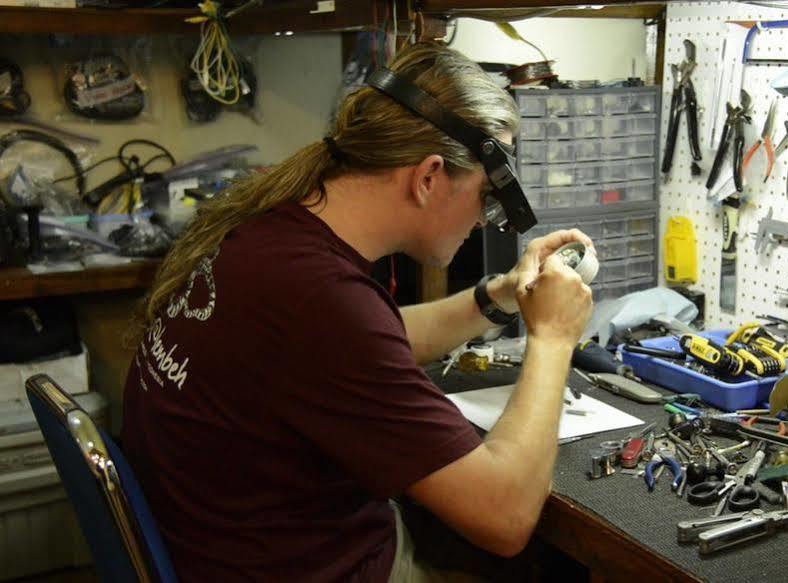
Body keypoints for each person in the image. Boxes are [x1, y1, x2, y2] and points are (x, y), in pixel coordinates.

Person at [122, 41, 593, 582]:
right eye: (486, 196)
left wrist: (498, 296)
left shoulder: (274, 232)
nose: (486, 219)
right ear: (428, 176)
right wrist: (553, 337)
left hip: (233, 545)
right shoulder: (321, 302)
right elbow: (504, 517)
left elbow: (377, 343)